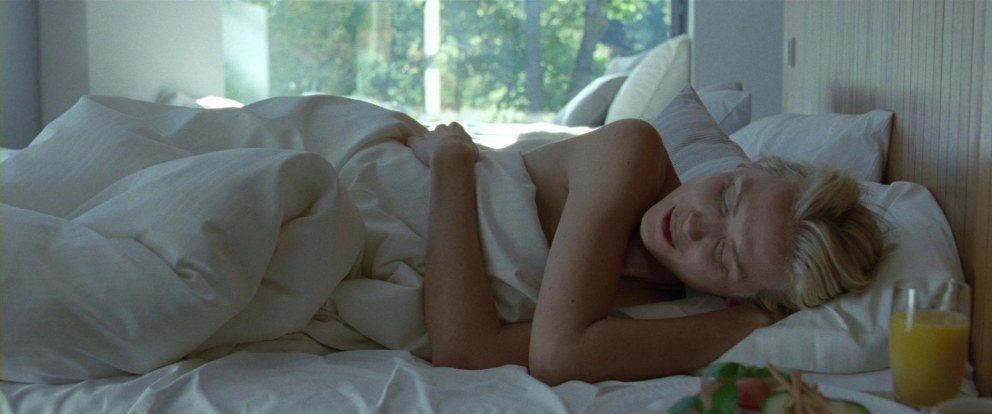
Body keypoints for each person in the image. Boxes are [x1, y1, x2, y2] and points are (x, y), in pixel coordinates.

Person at [404, 119, 884, 385]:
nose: (695, 224)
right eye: (726, 197)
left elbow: (469, 352)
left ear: (735, 296)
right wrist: (452, 164)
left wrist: (754, 317)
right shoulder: (633, 153)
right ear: (742, 167)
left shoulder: (663, 315)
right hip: (397, 187)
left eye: (724, 256)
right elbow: (555, 357)